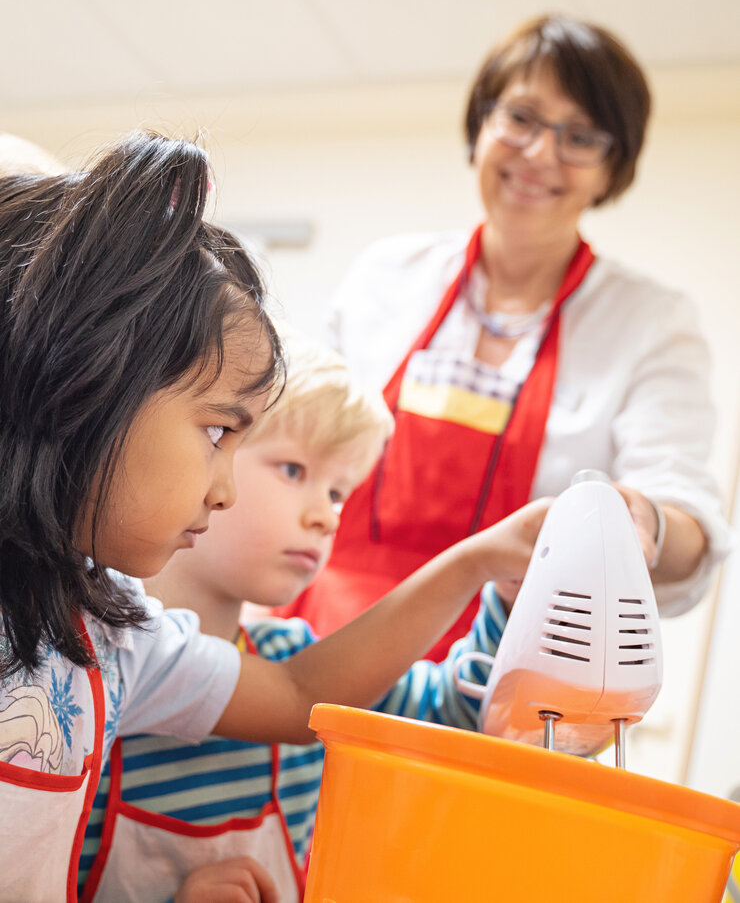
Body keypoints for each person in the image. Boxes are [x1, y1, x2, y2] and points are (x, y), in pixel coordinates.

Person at [0, 132, 547, 903]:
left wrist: (476, 563)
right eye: (219, 433)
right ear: (80, 382)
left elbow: (297, 696)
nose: (221, 490)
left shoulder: (116, 638)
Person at [276, 13, 732, 661]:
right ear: (481, 125)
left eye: (581, 136)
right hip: (327, 643)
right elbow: (299, 448)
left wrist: (646, 520)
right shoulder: (388, 276)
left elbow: (686, 520)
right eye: (521, 117)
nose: (541, 153)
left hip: (509, 669)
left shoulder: (650, 322)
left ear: (611, 170)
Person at [77, 330, 547, 903]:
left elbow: (456, 712)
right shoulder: (95, 668)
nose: (326, 517)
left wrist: (504, 592)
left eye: (339, 493)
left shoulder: (300, 661)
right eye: (295, 471)